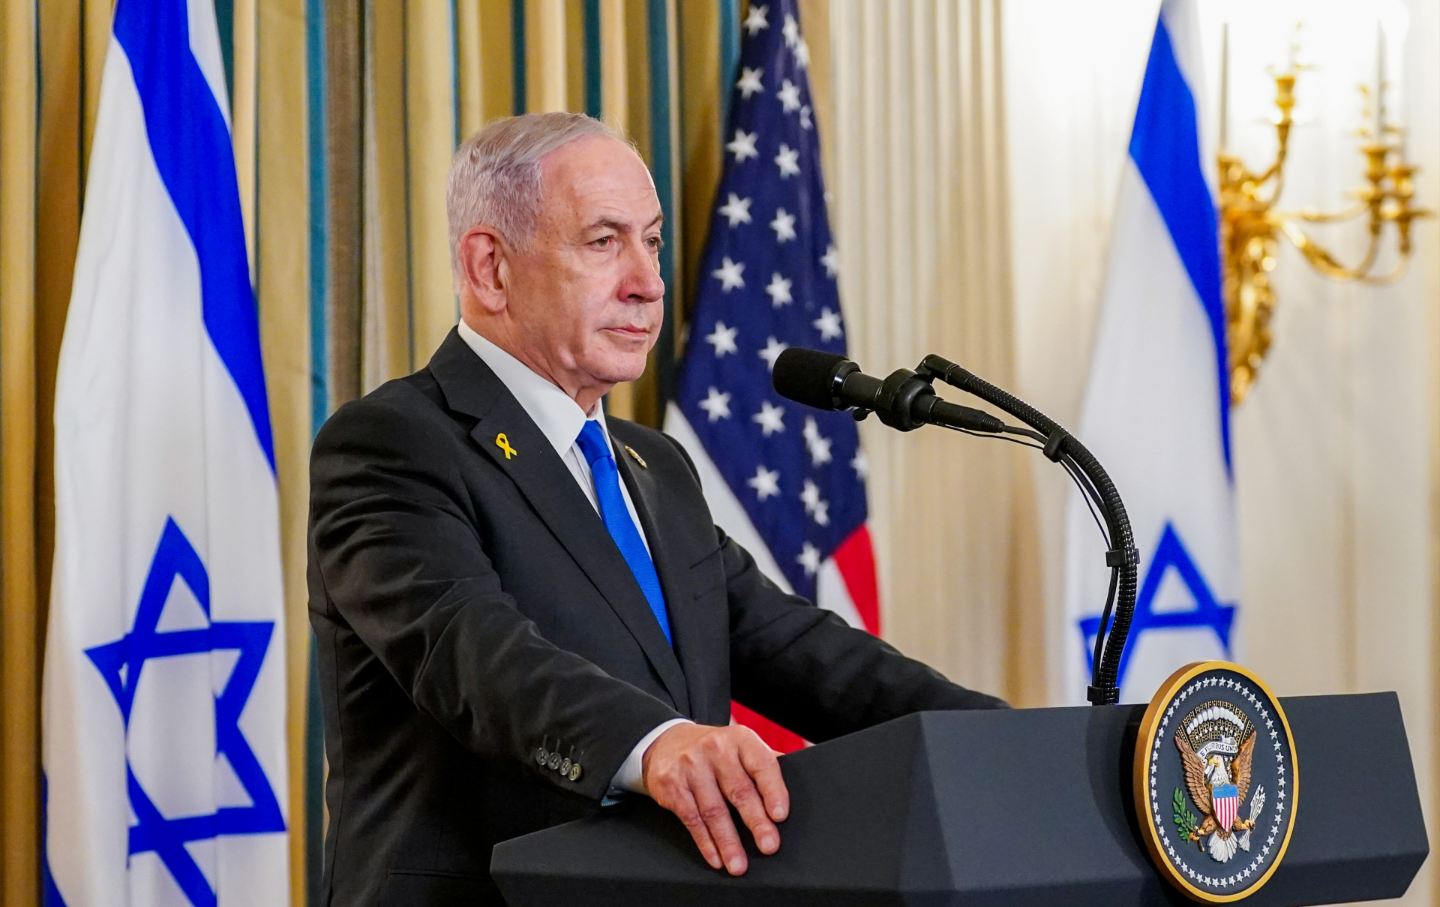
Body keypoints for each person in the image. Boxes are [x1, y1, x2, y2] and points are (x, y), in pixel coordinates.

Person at [307, 111, 1005, 906]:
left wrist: (1006, 741)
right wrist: (656, 743)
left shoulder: (654, 465)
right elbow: (479, 657)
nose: (647, 281)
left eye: (653, 240)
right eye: (603, 243)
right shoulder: (391, 444)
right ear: (491, 268)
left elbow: (807, 654)